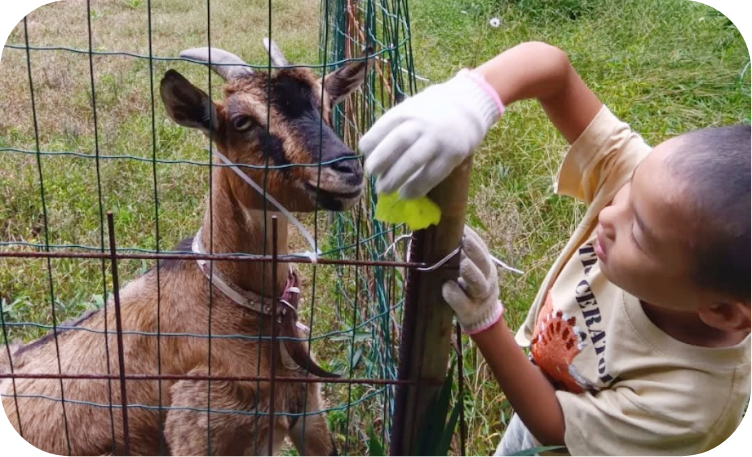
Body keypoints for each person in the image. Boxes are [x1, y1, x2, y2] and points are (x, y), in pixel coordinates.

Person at [359, 41, 752, 456]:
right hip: (544, 398)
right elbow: (553, 71)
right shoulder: (662, 204)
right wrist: (472, 98)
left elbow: (555, 428)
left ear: (723, 311)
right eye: (632, 187)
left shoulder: (693, 403)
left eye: (639, 233)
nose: (608, 215)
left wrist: (485, 319)